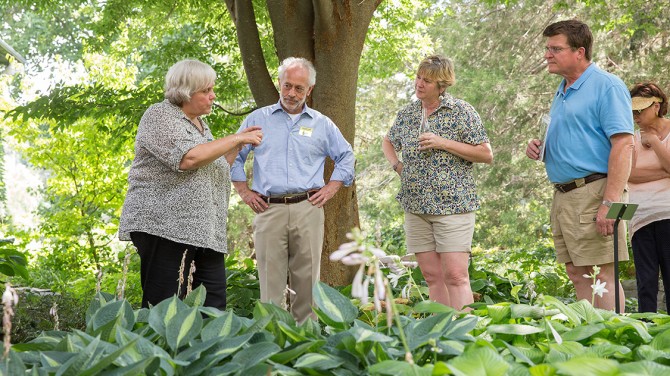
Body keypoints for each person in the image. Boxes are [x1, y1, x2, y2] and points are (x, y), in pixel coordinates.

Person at [118, 59, 263, 309]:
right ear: (186, 92)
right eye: (206, 91)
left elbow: (213, 167)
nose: (212, 96)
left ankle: (207, 349)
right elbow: (189, 159)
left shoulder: (201, 126)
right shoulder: (160, 115)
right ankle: (157, 349)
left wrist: (237, 147)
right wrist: (236, 137)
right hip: (164, 227)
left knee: (213, 303)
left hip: (204, 230)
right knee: (164, 306)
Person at [231, 57, 355, 323]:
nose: (291, 93)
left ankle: (305, 347)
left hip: (307, 209)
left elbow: (346, 156)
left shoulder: (322, 124)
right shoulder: (257, 119)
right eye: (287, 86)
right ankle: (272, 350)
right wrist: (243, 191)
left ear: (309, 90)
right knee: (269, 286)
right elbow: (233, 155)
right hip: (268, 209)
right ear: (279, 83)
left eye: (299, 88)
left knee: (308, 286)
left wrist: (332, 187)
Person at [525, 20, 634, 312]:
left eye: (556, 48)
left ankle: (616, 342)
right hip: (564, 195)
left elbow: (624, 145)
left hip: (596, 191)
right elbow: (580, 138)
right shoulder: (562, 90)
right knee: (577, 272)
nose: (547, 54)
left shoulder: (606, 85)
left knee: (602, 274)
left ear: (580, 51)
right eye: (547, 48)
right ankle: (591, 337)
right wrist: (540, 147)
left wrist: (610, 203)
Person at [381, 54, 493, 310]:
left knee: (455, 276)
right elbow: (387, 140)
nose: (419, 84)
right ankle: (441, 334)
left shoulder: (461, 111)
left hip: (452, 207)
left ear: (442, 85)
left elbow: (486, 154)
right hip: (415, 206)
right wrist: (397, 165)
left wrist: (443, 142)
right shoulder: (408, 113)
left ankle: (465, 333)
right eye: (418, 77)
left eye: (427, 81)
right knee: (432, 277)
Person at [628, 82, 670, 313]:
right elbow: (629, 174)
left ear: (656, 105)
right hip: (641, 217)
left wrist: (654, 142)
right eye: (632, 110)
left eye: (640, 110)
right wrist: (664, 172)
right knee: (646, 281)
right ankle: (646, 332)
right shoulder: (631, 138)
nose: (635, 115)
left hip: (668, 213)